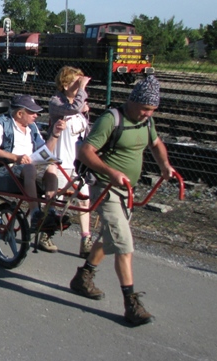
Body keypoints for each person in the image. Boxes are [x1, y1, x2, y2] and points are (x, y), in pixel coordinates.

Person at [69, 75, 175, 326]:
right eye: (145, 109)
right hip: (105, 188)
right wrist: (111, 172)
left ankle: (83, 278)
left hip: (127, 190)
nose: (148, 114)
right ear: (133, 101)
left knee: (110, 237)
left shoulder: (146, 122)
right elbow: (85, 152)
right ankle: (131, 304)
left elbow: (156, 143)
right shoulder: (111, 119)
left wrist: (165, 166)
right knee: (124, 244)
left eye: (152, 110)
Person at [0, 95, 66, 252]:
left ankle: (50, 212)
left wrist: (55, 134)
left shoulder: (32, 128)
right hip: (7, 169)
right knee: (30, 168)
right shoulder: (3, 124)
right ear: (20, 114)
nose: (36, 116)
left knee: (52, 168)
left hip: (29, 168)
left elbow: (45, 151)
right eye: (32, 112)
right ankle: (35, 214)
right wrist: (16, 157)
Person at [48, 66, 93, 258]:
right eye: (76, 82)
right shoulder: (56, 102)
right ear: (65, 85)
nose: (80, 85)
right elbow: (72, 109)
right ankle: (45, 233)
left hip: (77, 165)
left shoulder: (80, 105)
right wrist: (82, 91)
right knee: (54, 202)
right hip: (60, 162)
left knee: (84, 202)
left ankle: (86, 239)